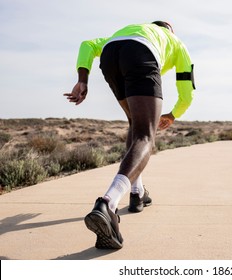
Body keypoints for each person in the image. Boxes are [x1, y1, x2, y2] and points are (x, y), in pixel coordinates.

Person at [64, 21, 195, 249]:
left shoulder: (133, 29)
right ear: (170, 31)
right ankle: (108, 204)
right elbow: (187, 91)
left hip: (111, 54)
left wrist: (82, 80)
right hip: (142, 55)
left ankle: (137, 192)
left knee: (135, 126)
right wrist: (173, 114)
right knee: (146, 135)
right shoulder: (175, 42)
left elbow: (87, 45)